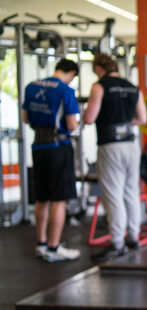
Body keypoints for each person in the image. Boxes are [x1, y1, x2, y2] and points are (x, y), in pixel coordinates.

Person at [82, 54, 147, 262]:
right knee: (131, 193)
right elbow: (142, 118)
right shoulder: (133, 87)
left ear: (99, 68)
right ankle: (133, 238)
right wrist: (124, 124)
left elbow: (89, 118)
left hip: (110, 146)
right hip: (131, 144)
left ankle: (117, 243)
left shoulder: (99, 86)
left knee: (113, 196)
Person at [22, 59, 82, 262]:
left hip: (38, 145)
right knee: (59, 199)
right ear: (72, 73)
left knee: (42, 197)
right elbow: (72, 124)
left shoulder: (31, 86)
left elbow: (25, 118)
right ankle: (54, 247)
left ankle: (41, 244)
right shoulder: (65, 90)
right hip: (58, 147)